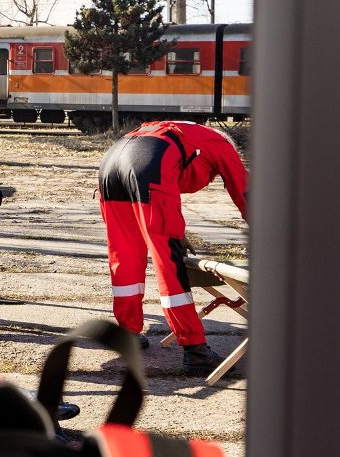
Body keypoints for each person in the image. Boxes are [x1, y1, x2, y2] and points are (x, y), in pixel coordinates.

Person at [97, 120, 248, 376]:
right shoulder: (221, 143)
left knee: (124, 254)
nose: (209, 181)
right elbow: (245, 190)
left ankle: (127, 333)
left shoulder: (182, 131)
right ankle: (195, 350)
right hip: (151, 163)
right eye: (212, 177)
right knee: (169, 260)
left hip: (112, 161)